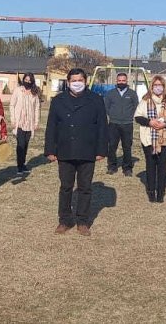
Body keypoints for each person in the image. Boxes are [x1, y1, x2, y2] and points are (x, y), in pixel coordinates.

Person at [45, 68, 109, 236]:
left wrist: (102, 149)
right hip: (65, 150)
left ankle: (83, 221)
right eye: (73, 81)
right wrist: (50, 150)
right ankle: (64, 220)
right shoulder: (58, 101)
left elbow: (103, 126)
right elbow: (51, 126)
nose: (77, 83)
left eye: (80, 80)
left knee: (85, 187)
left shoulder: (96, 100)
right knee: (66, 187)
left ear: (86, 81)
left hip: (87, 150)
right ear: (68, 83)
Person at [133, 75, 166, 203]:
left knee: (162, 165)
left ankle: (161, 192)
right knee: (150, 165)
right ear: (152, 86)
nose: (158, 87)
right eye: (155, 85)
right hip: (149, 137)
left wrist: (165, 124)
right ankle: (151, 191)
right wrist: (150, 122)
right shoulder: (145, 100)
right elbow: (138, 117)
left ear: (164, 86)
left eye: (160, 85)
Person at [105, 72, 139, 176]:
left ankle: (127, 168)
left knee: (127, 147)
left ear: (126, 81)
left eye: (123, 80)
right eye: (119, 80)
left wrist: (129, 116)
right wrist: (112, 115)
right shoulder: (110, 93)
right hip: (113, 124)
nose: (121, 82)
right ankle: (112, 166)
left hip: (127, 124)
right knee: (111, 146)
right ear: (116, 81)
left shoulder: (132, 94)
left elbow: (136, 107)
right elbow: (106, 107)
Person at [9, 72, 41, 176]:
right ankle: (19, 166)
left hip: (29, 124)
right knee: (20, 145)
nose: (27, 82)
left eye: (29, 80)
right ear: (23, 80)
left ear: (32, 81)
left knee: (26, 145)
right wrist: (13, 120)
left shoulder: (34, 92)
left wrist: (36, 123)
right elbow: (12, 105)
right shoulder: (18, 90)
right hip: (19, 124)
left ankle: (23, 164)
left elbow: (36, 108)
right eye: (26, 80)